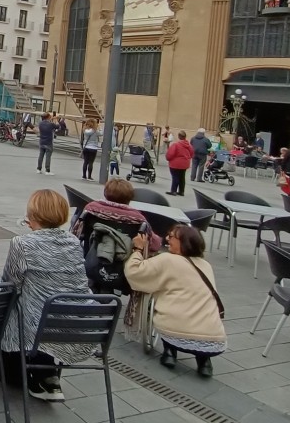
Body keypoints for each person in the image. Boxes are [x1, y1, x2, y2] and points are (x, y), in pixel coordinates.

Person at [0, 190, 91, 401]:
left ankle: (28, 374)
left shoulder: (22, 243)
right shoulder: (73, 241)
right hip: (73, 322)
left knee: (14, 305)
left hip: (38, 325)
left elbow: (10, 286)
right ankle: (47, 375)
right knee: (40, 305)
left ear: (34, 215)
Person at [127, 225, 225, 377]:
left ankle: (170, 352)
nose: (167, 239)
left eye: (171, 236)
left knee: (172, 311)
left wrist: (138, 249)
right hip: (214, 340)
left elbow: (135, 272)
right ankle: (204, 362)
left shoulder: (167, 259)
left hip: (175, 333)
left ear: (183, 242)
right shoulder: (206, 266)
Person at [81, 177, 147, 228]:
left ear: (105, 194)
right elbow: (151, 240)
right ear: (130, 197)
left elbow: (78, 229)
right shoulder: (138, 218)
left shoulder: (91, 208)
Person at [165, 130, 194, 196]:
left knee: (175, 177)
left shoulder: (176, 145)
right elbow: (192, 153)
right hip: (185, 163)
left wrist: (168, 158)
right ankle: (181, 191)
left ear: (179, 136)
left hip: (175, 164)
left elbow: (170, 154)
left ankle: (173, 191)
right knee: (182, 177)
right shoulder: (189, 145)